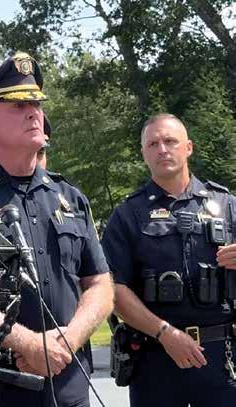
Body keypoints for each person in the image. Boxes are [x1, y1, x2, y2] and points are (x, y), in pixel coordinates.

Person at [0, 52, 114, 407]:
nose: (33, 112)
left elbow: (100, 285)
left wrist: (69, 341)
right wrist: (27, 344)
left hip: (70, 387)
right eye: (18, 105)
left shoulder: (69, 197)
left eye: (36, 104)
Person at [101, 113, 236, 406]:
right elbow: (112, 288)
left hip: (222, 359)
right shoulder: (128, 215)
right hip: (155, 359)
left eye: (170, 141)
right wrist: (164, 333)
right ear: (144, 154)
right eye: (153, 144)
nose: (162, 149)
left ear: (188, 147)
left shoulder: (227, 206)